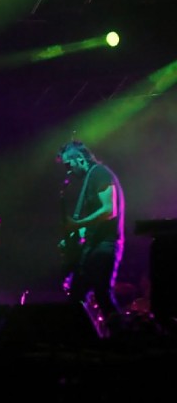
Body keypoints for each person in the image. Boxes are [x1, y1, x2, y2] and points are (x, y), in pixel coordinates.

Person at [56, 140, 124, 336]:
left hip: (104, 246)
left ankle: (122, 336)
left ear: (79, 159)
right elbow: (95, 222)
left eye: (68, 165)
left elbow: (110, 210)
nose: (68, 171)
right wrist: (75, 234)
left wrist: (77, 225)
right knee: (77, 297)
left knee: (102, 294)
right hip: (93, 247)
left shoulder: (99, 173)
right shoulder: (91, 178)